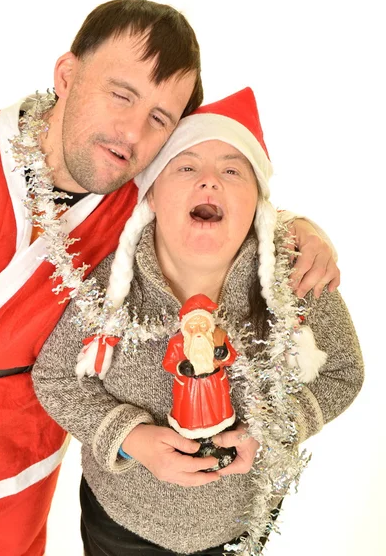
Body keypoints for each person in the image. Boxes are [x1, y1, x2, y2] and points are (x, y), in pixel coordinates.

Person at [0, 0, 338, 556]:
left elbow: (221, 196)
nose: (130, 132)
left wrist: (300, 227)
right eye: (121, 94)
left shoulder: (131, 196)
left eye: (159, 119)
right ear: (67, 75)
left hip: (24, 453)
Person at [32, 87, 363, 556]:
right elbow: (56, 375)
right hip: (123, 520)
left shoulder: (295, 276)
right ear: (151, 196)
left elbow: (344, 371)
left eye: (232, 170)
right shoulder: (110, 286)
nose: (210, 182)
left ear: (259, 204)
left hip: (239, 524)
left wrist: (273, 429)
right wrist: (131, 436)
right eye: (186, 167)